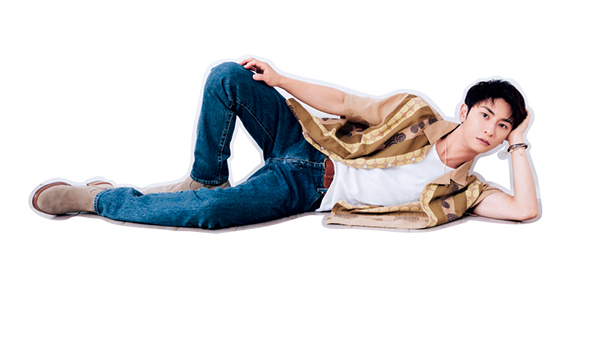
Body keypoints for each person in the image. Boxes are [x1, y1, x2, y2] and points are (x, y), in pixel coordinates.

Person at [30, 58, 538, 230]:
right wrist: (280, 79)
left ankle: (99, 199)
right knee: (229, 76)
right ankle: (206, 174)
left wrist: (520, 144)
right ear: (464, 110)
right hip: (307, 143)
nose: (490, 129)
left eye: (502, 127)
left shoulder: (465, 192)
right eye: (485, 114)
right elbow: (346, 102)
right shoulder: (416, 112)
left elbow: (524, 210)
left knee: (211, 215)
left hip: (306, 189)